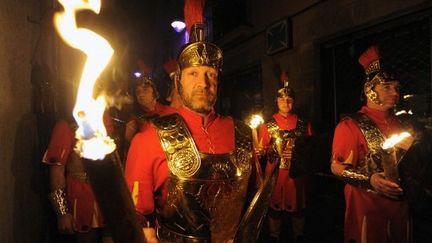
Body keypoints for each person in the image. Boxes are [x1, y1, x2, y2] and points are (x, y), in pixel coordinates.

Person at [124, 23, 261, 242]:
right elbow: (136, 216)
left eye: (211, 74)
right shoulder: (149, 138)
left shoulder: (243, 133)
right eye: (193, 74)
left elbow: (254, 200)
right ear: (178, 81)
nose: (203, 83)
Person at [330, 45, 414, 243]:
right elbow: (336, 167)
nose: (395, 93)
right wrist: (371, 180)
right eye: (387, 87)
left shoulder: (401, 123)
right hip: (367, 205)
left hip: (401, 204)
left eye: (396, 88)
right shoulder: (350, 125)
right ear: (370, 90)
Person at [258, 71, 313, 243]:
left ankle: (299, 234)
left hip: (297, 173)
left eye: (289, 99)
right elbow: (262, 148)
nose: (286, 102)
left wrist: (299, 153)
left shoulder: (304, 124)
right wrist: (260, 151)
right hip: (275, 172)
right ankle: (274, 235)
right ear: (276, 101)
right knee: (275, 206)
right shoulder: (268, 125)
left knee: (298, 206)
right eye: (282, 99)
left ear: (294, 101)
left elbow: (312, 149)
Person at [42, 115, 114, 243]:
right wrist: (62, 212)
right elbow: (56, 170)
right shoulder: (66, 127)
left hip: (108, 196)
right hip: (81, 197)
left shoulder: (107, 119)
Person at [123, 75, 176, 156]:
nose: (141, 94)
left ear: (154, 91)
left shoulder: (170, 112)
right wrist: (128, 138)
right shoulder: (134, 120)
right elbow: (131, 153)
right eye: (138, 92)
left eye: (145, 89)